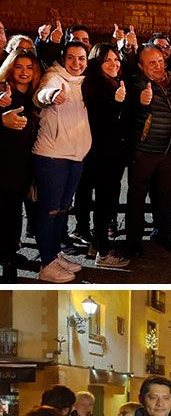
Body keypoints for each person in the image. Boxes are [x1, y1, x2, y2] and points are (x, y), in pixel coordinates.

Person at [31, 39, 91, 282]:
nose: (76, 63)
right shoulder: (55, 77)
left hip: (75, 156)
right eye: (71, 58)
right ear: (63, 59)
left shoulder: (84, 82)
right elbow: (40, 96)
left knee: (62, 210)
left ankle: (54, 254)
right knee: (50, 210)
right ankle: (46, 263)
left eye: (81, 59)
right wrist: (51, 95)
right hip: (52, 155)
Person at [124, 43, 171, 257]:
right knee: (137, 197)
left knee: (166, 195)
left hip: (169, 151)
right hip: (144, 151)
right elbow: (132, 101)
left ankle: (164, 234)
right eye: (151, 63)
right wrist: (140, 100)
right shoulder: (137, 83)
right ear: (141, 66)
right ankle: (133, 242)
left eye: (160, 61)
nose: (158, 66)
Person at [79, 42, 130, 267]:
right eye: (107, 60)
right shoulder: (95, 86)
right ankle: (103, 251)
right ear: (97, 62)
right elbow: (100, 121)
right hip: (101, 155)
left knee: (106, 202)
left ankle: (98, 244)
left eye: (116, 59)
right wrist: (116, 103)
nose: (113, 63)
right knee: (103, 202)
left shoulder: (114, 82)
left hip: (111, 154)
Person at [0, 48, 39, 282]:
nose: (24, 72)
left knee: (14, 216)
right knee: (4, 217)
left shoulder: (33, 96)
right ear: (10, 68)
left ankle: (10, 256)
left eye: (29, 67)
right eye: (19, 66)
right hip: (4, 166)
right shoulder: (3, 92)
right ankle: (7, 266)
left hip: (22, 167)